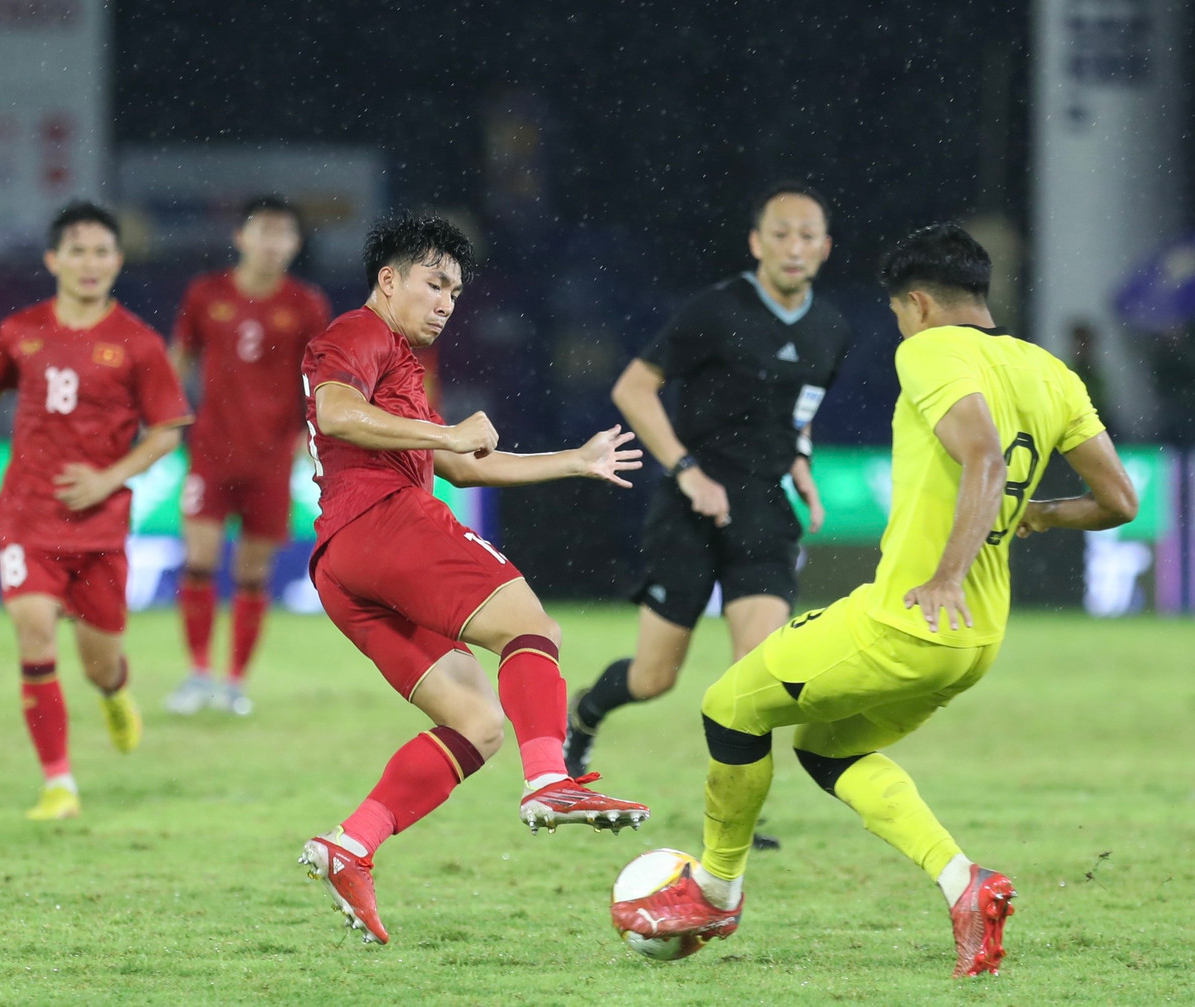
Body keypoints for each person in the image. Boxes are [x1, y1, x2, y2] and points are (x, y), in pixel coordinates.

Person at [611, 223, 1139, 977]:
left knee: (728, 706)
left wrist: (949, 571)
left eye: (897, 312)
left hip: (908, 619)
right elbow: (1119, 499)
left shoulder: (928, 349)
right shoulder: (1047, 370)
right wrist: (1045, 513)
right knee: (830, 748)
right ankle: (966, 883)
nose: (898, 325)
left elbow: (984, 454)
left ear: (918, 303)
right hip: (976, 642)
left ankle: (716, 893)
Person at [296, 211, 651, 945]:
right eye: (433, 283)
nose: (446, 302)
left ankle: (350, 844)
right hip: (385, 523)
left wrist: (574, 460)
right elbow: (334, 411)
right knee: (533, 627)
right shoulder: (361, 332)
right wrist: (443, 431)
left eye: (455, 291)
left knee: (478, 723)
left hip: (342, 564)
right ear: (388, 281)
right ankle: (550, 778)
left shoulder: (399, 362)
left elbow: (462, 463)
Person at [564, 181, 851, 849]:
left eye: (807, 235)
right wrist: (685, 470)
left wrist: (803, 471)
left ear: (825, 248)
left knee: (758, 675)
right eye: (779, 233)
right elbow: (632, 389)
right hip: (690, 507)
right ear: (756, 242)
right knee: (654, 676)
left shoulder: (832, 329)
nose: (793, 246)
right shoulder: (715, 311)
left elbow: (797, 418)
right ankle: (583, 713)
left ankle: (735, 821)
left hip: (766, 512)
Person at [0, 201, 193, 821]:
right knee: (33, 633)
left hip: (101, 526)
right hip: (26, 516)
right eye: (78, 251)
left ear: (117, 261)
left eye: (102, 252)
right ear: (53, 260)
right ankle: (58, 782)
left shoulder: (138, 343)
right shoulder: (20, 330)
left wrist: (107, 478)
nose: (90, 263)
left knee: (99, 660)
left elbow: (168, 430)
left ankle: (114, 692)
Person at [164, 195, 332, 716]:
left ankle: (235, 682)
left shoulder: (305, 305)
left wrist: (312, 439)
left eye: (283, 234)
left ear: (295, 244)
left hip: (270, 459)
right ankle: (196, 674)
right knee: (199, 562)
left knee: (252, 574)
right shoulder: (206, 294)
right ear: (241, 237)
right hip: (211, 452)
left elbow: (319, 379)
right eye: (264, 231)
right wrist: (166, 418)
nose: (273, 243)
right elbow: (180, 357)